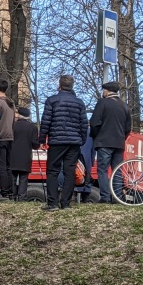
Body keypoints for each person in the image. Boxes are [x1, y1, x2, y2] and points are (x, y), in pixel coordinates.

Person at [38, 74, 89, 211]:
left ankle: (53, 203)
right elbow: (84, 124)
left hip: (56, 141)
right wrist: (82, 140)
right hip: (74, 142)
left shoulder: (52, 101)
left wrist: (42, 139)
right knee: (70, 171)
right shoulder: (79, 103)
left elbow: (46, 121)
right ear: (72, 86)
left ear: (59, 86)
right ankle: (66, 203)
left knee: (52, 171)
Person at [89, 81, 132, 204]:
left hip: (104, 142)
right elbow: (128, 128)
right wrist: (121, 138)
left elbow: (94, 122)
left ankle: (105, 197)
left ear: (106, 91)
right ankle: (117, 197)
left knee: (102, 170)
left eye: (103, 90)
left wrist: (96, 136)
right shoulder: (124, 106)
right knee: (117, 170)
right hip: (119, 143)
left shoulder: (103, 103)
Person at [0, 79, 16, 200]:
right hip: (10, 137)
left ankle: (5, 192)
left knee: (0, 166)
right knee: (7, 166)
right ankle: (10, 191)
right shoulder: (11, 103)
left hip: (0, 138)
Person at [9, 107, 39, 201]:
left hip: (12, 155)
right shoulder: (33, 127)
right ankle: (22, 198)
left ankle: (12, 197)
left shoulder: (12, 125)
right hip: (25, 156)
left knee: (12, 177)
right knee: (23, 178)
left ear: (19, 115)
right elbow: (35, 145)